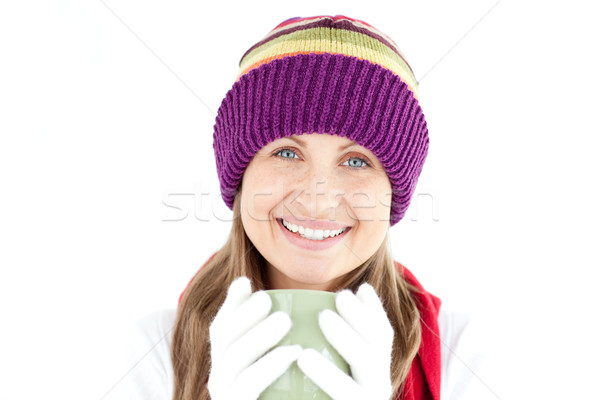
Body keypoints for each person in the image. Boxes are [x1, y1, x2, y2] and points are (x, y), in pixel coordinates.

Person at [115, 14, 493, 400]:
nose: (318, 198)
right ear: (241, 178)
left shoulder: (459, 353)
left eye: (357, 161)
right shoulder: (155, 351)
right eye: (286, 152)